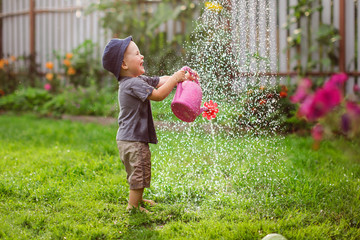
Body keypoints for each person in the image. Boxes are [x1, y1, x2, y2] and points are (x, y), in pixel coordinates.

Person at [102, 36, 188, 212]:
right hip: (132, 140)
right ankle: (132, 207)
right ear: (124, 65)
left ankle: (138, 200)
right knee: (138, 173)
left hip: (131, 138)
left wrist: (180, 77)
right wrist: (174, 80)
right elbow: (157, 95)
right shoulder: (132, 84)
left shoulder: (137, 81)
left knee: (140, 170)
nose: (142, 56)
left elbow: (160, 80)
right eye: (137, 53)